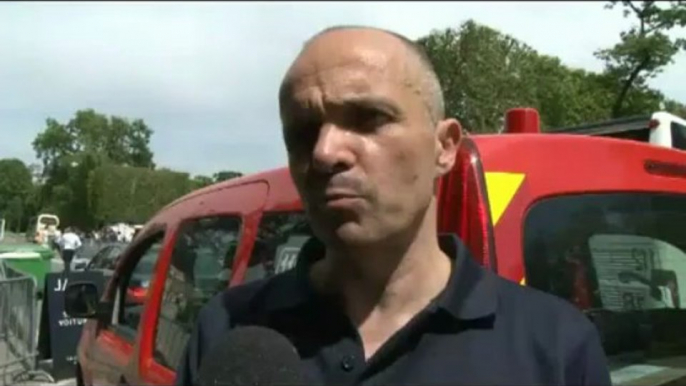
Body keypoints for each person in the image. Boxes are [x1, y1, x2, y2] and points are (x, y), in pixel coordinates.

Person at [175, 26, 611, 385]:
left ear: (445, 147)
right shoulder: (230, 328)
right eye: (304, 131)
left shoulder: (555, 347)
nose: (325, 152)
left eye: (368, 119)